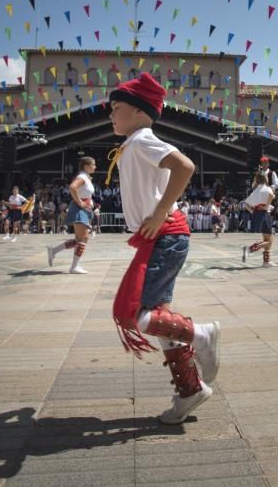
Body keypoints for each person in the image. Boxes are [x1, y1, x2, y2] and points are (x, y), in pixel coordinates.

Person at [108, 72, 220, 425]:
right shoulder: (133, 143)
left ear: (140, 112)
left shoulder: (142, 139)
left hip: (164, 234)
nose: (110, 114)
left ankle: (202, 333)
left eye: (117, 108)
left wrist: (159, 212)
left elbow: (185, 167)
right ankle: (190, 391)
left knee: (139, 316)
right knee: (160, 322)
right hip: (158, 237)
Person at [47, 156, 96, 274]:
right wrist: (80, 202)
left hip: (83, 209)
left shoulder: (86, 177)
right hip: (79, 209)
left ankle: (54, 251)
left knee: (80, 239)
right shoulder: (82, 177)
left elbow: (82, 192)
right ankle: (74, 266)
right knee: (83, 238)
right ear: (86, 166)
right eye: (93, 164)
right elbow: (72, 187)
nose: (95, 167)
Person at [242, 172, 276, 267]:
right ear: (265, 178)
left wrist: (253, 211)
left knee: (266, 239)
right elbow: (271, 195)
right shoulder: (267, 188)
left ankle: (266, 261)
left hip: (257, 214)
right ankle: (249, 249)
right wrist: (267, 206)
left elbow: (246, 203)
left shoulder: (256, 190)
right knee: (269, 240)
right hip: (265, 214)